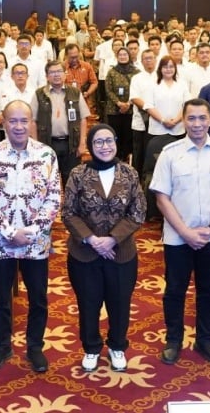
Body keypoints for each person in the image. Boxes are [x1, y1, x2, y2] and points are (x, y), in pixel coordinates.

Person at [150, 98, 210, 365]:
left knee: (209, 291)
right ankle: (173, 340)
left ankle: (205, 340)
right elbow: (162, 198)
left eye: (202, 118)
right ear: (184, 120)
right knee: (175, 290)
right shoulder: (170, 153)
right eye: (191, 118)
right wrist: (185, 232)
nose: (197, 123)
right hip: (178, 237)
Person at [0, 100, 61, 373]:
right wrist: (10, 232)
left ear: (31, 123)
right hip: (0, 242)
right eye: (12, 121)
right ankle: (2, 346)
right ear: (3, 122)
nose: (18, 126)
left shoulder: (46, 155)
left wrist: (33, 231)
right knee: (0, 297)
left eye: (24, 121)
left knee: (38, 297)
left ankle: (35, 347)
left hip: (36, 242)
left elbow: (54, 198)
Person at [63, 124, 146, 372]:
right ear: (90, 145)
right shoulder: (78, 174)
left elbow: (138, 211)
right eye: (98, 142)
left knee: (120, 303)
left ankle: (117, 345)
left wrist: (112, 239)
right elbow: (68, 213)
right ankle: (91, 348)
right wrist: (91, 239)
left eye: (109, 140)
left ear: (116, 142)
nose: (105, 146)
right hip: (84, 254)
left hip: (121, 253)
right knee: (88, 303)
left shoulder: (129, 173)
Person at [31, 60, 90, 184]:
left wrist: (82, 143)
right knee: (48, 179)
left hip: (71, 143)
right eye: (52, 72)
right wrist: (35, 145)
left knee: (71, 180)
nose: (56, 75)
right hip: (47, 143)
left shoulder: (75, 92)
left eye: (59, 71)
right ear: (47, 76)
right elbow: (33, 121)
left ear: (65, 74)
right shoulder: (39, 94)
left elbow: (83, 119)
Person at [104, 47, 139, 161]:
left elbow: (138, 90)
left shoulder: (136, 72)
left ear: (129, 56)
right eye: (120, 55)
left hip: (131, 109)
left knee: (128, 136)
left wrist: (128, 104)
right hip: (114, 110)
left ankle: (127, 161)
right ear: (117, 57)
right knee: (115, 136)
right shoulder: (111, 72)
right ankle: (115, 159)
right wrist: (119, 103)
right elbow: (108, 90)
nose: (123, 57)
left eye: (125, 54)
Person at [145, 57, 189, 146]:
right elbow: (149, 106)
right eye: (165, 67)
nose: (168, 69)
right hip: (157, 129)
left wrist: (175, 121)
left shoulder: (182, 84)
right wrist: (163, 120)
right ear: (160, 69)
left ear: (175, 68)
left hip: (178, 129)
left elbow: (187, 105)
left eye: (171, 66)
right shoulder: (152, 84)